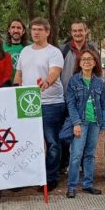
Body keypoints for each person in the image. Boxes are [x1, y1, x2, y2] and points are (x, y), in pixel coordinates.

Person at [14, 18, 65, 191]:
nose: (35, 32)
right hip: (28, 104)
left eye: (39, 30)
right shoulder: (25, 51)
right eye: (33, 29)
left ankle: (50, 177)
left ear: (47, 32)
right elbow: (18, 74)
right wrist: (14, 89)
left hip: (51, 103)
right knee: (27, 143)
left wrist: (46, 82)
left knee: (51, 142)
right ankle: (29, 177)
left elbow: (54, 72)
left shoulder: (54, 52)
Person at [61, 49, 105, 198]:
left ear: (95, 63)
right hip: (80, 123)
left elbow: (103, 104)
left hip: (95, 123)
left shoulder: (99, 82)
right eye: (84, 59)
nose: (87, 61)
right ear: (79, 63)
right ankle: (72, 186)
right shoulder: (74, 80)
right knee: (76, 154)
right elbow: (70, 103)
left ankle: (88, 184)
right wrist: (76, 123)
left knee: (90, 154)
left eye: (90, 59)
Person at [60, 20, 99, 89]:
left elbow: (98, 72)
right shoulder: (63, 50)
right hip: (67, 94)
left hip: (88, 94)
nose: (77, 33)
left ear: (86, 31)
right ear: (71, 33)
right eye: (75, 31)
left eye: (80, 30)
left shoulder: (93, 50)